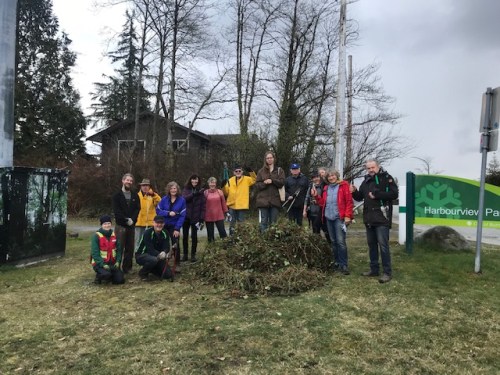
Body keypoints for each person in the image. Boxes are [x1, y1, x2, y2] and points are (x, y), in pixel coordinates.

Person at [351, 159, 398, 283]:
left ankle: (387, 272)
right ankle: (374, 269)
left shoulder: (386, 178)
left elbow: (394, 194)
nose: (371, 170)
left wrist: (377, 195)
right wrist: (354, 191)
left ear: (378, 167)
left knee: (383, 246)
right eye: (368, 168)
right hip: (369, 218)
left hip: (382, 218)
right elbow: (360, 197)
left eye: (373, 167)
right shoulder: (366, 180)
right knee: (371, 245)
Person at [312, 169, 354, 275]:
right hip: (328, 218)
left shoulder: (344, 185)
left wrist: (348, 216)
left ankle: (344, 265)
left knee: (340, 242)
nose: (331, 178)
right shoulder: (326, 188)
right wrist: (316, 196)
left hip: (339, 218)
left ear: (337, 176)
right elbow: (323, 203)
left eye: (333, 175)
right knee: (333, 242)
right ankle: (337, 262)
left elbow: (349, 202)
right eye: (329, 176)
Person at [112, 173, 140, 274]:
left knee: (130, 248)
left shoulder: (135, 195)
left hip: (131, 226)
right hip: (121, 226)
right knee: (118, 248)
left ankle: (127, 268)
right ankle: (116, 267)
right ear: (123, 181)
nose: (129, 182)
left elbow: (137, 208)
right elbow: (117, 211)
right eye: (127, 180)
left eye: (131, 181)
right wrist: (125, 220)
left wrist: (132, 219)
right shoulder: (116, 195)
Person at [156, 181, 186, 272]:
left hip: (174, 225)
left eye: (175, 188)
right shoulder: (164, 199)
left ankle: (177, 264)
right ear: (168, 189)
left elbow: (182, 215)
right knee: (163, 243)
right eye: (171, 188)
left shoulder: (182, 200)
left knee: (175, 244)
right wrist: (168, 213)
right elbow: (158, 210)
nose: (173, 190)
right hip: (164, 225)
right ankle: (162, 262)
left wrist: (177, 228)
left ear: (177, 190)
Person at [221, 163, 256, 235]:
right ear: (234, 172)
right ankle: (231, 237)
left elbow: (255, 179)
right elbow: (226, 193)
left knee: (241, 223)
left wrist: (251, 171)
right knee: (232, 222)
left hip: (241, 205)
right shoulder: (230, 180)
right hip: (232, 205)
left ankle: (241, 237)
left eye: (239, 171)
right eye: (236, 171)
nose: (238, 172)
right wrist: (223, 187)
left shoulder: (247, 179)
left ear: (242, 171)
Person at [135, 215, 174, 280]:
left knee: (168, 275)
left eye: (161, 223)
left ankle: (151, 269)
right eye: (157, 223)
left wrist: (165, 252)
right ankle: (143, 273)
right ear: (153, 223)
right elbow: (150, 249)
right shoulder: (147, 232)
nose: (159, 225)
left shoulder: (165, 232)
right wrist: (160, 255)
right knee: (153, 260)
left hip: (157, 256)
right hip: (142, 255)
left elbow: (167, 246)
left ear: (164, 224)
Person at [255, 151, 285, 232]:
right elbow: (257, 185)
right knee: (263, 222)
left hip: (275, 201)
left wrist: (272, 181)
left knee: (273, 223)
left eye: (271, 158)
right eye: (267, 158)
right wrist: (264, 183)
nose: (269, 159)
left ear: (274, 158)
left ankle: (272, 241)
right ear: (265, 159)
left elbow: (282, 183)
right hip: (263, 201)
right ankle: (264, 242)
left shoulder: (279, 170)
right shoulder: (261, 171)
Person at [90, 215, 125, 284]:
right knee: (106, 275)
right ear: (101, 225)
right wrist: (102, 264)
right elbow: (95, 253)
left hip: (112, 263)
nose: (107, 225)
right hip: (100, 263)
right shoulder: (96, 236)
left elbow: (119, 250)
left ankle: (110, 275)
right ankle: (99, 277)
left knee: (120, 280)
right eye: (105, 224)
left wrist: (118, 261)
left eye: (109, 223)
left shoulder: (114, 235)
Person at [182, 174, 206, 262]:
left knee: (194, 236)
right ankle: (185, 254)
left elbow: (203, 206)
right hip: (186, 216)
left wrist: (201, 218)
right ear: (190, 180)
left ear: (198, 181)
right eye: (193, 179)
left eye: (196, 180)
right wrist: (194, 194)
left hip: (196, 217)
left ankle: (193, 255)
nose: (194, 181)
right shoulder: (186, 189)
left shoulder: (201, 191)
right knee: (185, 236)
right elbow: (184, 199)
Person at [303, 171, 331, 243]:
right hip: (312, 212)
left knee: (326, 231)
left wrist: (317, 201)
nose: (316, 179)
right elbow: (306, 198)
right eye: (314, 178)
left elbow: (326, 199)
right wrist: (304, 210)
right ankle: (318, 247)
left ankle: (330, 245)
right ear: (312, 179)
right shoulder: (310, 187)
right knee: (315, 231)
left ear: (320, 178)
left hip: (322, 212)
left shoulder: (324, 186)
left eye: (317, 177)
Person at [135, 178, 161, 250]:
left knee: (151, 240)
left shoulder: (153, 196)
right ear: (141, 186)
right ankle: (138, 254)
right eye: (143, 185)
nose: (145, 187)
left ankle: (150, 253)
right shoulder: (136, 195)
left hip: (150, 223)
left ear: (149, 187)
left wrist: (153, 194)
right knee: (138, 241)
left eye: (147, 185)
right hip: (139, 223)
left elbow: (160, 202)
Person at [204, 177, 228, 242]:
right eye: (211, 183)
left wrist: (226, 212)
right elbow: (203, 205)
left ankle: (225, 247)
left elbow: (223, 203)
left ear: (216, 183)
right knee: (210, 234)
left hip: (219, 215)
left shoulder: (219, 192)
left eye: (214, 183)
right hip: (208, 216)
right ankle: (211, 248)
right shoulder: (205, 193)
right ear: (208, 184)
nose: (212, 184)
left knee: (222, 232)